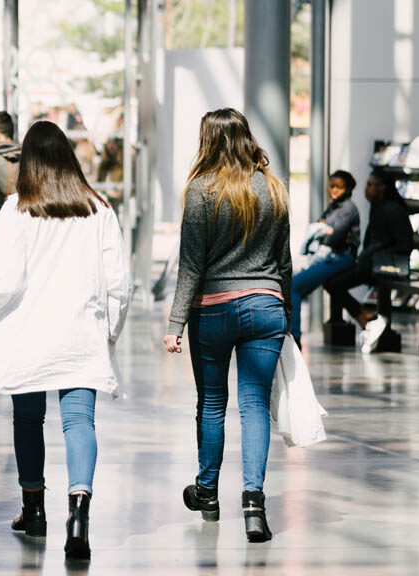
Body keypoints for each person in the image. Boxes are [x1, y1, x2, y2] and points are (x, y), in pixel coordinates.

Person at [0, 121, 130, 559]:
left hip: (31, 335)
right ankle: (79, 514)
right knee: (79, 423)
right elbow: (118, 283)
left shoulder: (19, 209)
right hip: (80, 333)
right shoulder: (99, 208)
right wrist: (108, 333)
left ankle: (33, 510)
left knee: (28, 421)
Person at [163, 108, 291, 544]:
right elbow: (284, 263)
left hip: (214, 310)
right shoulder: (273, 188)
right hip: (266, 305)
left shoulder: (201, 191)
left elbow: (191, 265)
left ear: (209, 141)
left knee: (213, 403)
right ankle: (254, 503)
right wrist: (285, 313)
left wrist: (176, 322)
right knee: (255, 405)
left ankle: (208, 492)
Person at [323, 170, 415, 352]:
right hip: (372, 263)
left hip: (380, 265)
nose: (367, 189)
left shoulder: (391, 209)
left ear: (382, 187)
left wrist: (371, 252)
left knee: (333, 283)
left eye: (371, 184)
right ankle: (367, 318)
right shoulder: (380, 206)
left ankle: (368, 319)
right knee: (331, 281)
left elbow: (403, 242)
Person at [290, 170, 362, 347]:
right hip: (330, 256)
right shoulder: (334, 207)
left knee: (294, 287)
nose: (334, 190)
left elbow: (334, 234)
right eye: (332, 186)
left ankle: (295, 337)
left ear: (347, 188)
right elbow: (324, 228)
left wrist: (325, 230)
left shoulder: (347, 208)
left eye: (339, 187)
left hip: (340, 257)